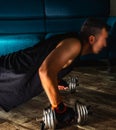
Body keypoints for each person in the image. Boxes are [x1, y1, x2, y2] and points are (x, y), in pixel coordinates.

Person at [0, 18, 109, 126]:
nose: (105, 44)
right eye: (104, 39)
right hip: (6, 73)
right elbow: (45, 72)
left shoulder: (72, 43)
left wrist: (55, 81)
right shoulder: (74, 44)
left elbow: (44, 61)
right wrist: (59, 108)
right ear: (91, 39)